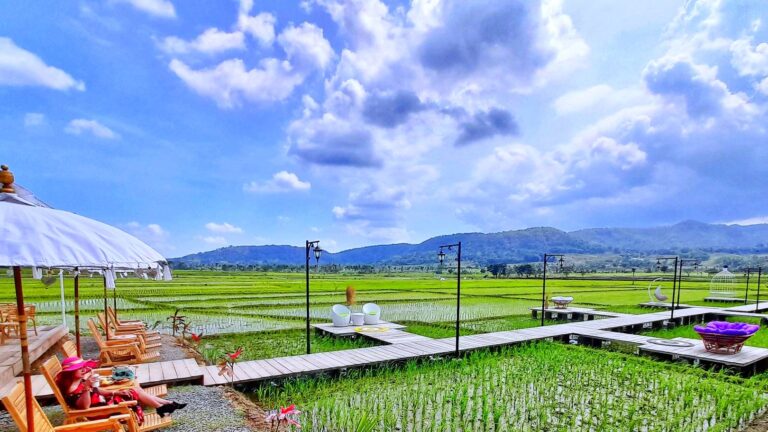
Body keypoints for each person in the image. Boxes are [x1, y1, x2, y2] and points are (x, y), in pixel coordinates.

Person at [55, 357, 186, 423]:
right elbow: (85, 407)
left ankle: (166, 405)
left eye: (84, 367)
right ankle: (164, 407)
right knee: (133, 391)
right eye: (80, 368)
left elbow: (97, 391)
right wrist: (86, 388)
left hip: (101, 401)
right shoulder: (71, 390)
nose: (84, 369)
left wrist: (115, 392)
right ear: (70, 373)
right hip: (97, 411)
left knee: (130, 390)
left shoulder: (80, 380)